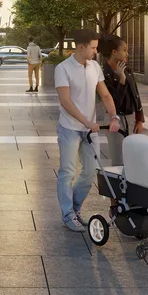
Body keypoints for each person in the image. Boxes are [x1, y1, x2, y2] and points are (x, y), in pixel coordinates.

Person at [54, 29, 121, 232]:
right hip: (70, 129)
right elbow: (65, 101)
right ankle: (67, 215)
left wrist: (114, 116)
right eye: (92, 47)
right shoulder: (62, 69)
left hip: (90, 130)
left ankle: (74, 209)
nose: (95, 50)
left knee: (90, 171)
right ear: (81, 46)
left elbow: (106, 95)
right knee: (67, 172)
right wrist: (85, 121)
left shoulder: (94, 67)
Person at [99, 34, 145, 165]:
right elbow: (115, 102)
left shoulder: (126, 68)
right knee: (119, 160)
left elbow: (135, 94)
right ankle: (119, 185)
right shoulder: (104, 74)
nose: (127, 53)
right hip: (115, 119)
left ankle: (130, 185)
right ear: (114, 52)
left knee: (132, 160)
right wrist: (122, 80)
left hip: (130, 118)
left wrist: (139, 118)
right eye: (124, 50)